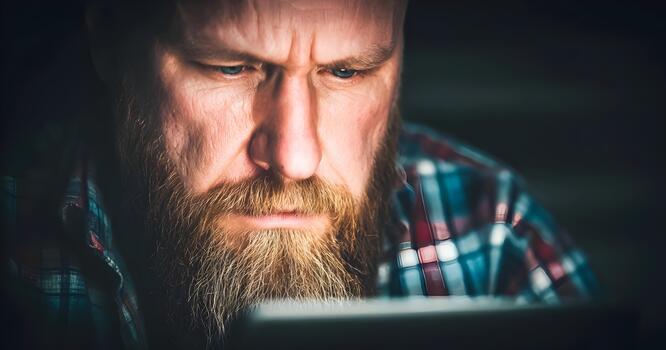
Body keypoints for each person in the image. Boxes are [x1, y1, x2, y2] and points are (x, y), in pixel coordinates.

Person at [2, 0, 597, 348]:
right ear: (108, 41)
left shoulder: (493, 237)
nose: (294, 158)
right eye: (231, 67)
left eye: (346, 72)